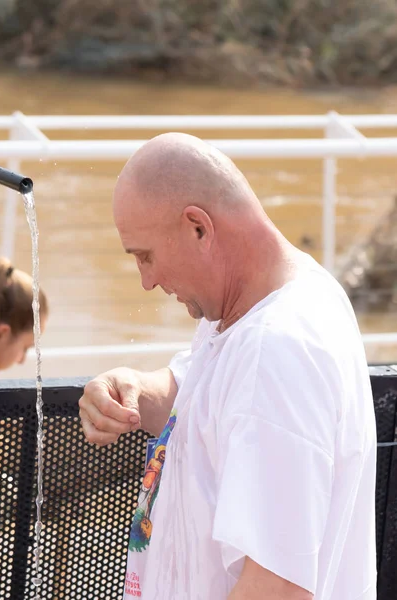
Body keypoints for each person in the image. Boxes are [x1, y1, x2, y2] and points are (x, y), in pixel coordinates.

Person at [78, 133, 377, 600]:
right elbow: (204, 395)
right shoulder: (249, 309)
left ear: (199, 227)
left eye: (146, 255)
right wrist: (134, 387)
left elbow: (277, 585)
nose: (146, 280)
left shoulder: (277, 349)